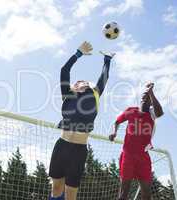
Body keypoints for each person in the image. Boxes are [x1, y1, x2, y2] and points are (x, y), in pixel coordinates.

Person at [49, 41, 115, 200]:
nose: (82, 81)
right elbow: (64, 70)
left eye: (85, 81)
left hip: (78, 151)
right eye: (78, 81)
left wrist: (107, 59)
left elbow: (104, 78)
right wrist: (78, 53)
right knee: (56, 189)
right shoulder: (68, 95)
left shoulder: (94, 95)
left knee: (70, 195)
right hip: (61, 146)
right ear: (73, 86)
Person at [109, 83, 164, 200]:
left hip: (143, 156)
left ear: (151, 102)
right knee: (124, 193)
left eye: (148, 97)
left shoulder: (152, 113)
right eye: (144, 95)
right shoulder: (131, 111)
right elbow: (116, 122)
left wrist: (151, 93)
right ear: (140, 98)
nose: (145, 98)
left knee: (146, 193)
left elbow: (160, 112)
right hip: (128, 155)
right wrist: (114, 132)